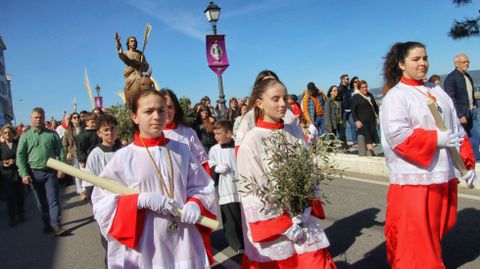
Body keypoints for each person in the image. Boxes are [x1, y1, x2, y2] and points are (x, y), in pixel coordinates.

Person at [91, 88, 216, 268]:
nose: (157, 116)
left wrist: (195, 202)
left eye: (161, 110)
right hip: (147, 245)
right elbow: (102, 202)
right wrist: (139, 201)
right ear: (135, 117)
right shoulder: (124, 157)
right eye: (148, 111)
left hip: (184, 239)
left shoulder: (182, 150)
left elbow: (202, 186)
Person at [380, 41, 477, 268]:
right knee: (415, 242)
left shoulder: (437, 91)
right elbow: (397, 136)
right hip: (415, 180)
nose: (423, 63)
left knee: (435, 232)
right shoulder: (396, 96)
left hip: (443, 175)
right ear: (402, 64)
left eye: (425, 58)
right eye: (416, 59)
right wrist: (435, 139)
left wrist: (467, 164)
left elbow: (456, 130)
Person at [237, 78, 336, 268]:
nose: (283, 104)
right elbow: (255, 193)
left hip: (303, 220)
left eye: (285, 98)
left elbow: (307, 172)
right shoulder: (251, 141)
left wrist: (306, 209)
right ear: (260, 103)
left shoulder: (294, 131)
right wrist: (285, 225)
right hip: (277, 228)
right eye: (275, 99)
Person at [16, 107, 67, 235]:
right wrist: (24, 174)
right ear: (31, 118)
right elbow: (20, 156)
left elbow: (60, 151)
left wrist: (62, 168)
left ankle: (56, 225)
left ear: (44, 118)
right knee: (41, 202)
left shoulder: (52, 134)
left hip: (50, 172)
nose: (38, 119)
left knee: (53, 199)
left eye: (41, 117)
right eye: (36, 117)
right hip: (34, 173)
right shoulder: (25, 136)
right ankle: (47, 223)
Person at [235, 70, 299, 155]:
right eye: (266, 83)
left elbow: (298, 139)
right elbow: (240, 148)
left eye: (274, 82)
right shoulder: (250, 116)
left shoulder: (288, 114)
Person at [208, 119, 244, 252]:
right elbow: (210, 165)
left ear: (228, 133)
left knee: (242, 216)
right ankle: (236, 244)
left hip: (241, 187)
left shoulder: (238, 146)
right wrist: (216, 168)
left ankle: (245, 240)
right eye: (214, 134)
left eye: (218, 133)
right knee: (230, 219)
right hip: (226, 188)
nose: (215, 137)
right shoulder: (214, 150)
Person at [159, 88, 212, 175]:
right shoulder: (150, 134)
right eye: (162, 108)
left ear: (175, 109)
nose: (166, 111)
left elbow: (202, 162)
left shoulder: (188, 133)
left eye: (169, 107)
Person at [443, 53, 479, 160]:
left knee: (476, 136)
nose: (467, 64)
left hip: (472, 111)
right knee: (465, 138)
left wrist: (475, 104)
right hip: (462, 114)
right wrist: (460, 114)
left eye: (468, 62)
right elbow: (450, 98)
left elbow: (470, 93)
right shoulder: (451, 78)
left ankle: (476, 158)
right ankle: (470, 159)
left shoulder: (467, 76)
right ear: (456, 64)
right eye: (464, 62)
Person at [0, 124, 25, 227]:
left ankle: (21, 213)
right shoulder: (1, 147)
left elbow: (23, 155)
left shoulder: (18, 143)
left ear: (13, 133)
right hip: (7, 175)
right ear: (2, 134)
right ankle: (12, 218)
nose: (7, 134)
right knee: (10, 197)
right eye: (5, 133)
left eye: (9, 132)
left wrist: (14, 161)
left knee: (20, 195)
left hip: (18, 173)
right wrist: (3, 163)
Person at [115, 33, 149, 106]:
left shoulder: (140, 53)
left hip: (139, 73)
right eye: (132, 41)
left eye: (135, 41)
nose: (134, 43)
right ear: (128, 43)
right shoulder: (126, 53)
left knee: (147, 82)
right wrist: (118, 42)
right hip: (131, 75)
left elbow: (146, 66)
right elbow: (121, 55)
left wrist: (141, 64)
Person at [351, 80, 379, 156]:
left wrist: (379, 116)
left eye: (366, 87)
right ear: (359, 88)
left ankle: (367, 155)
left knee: (370, 140)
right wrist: (356, 121)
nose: (365, 89)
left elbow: (375, 107)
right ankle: (373, 156)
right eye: (363, 87)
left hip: (372, 121)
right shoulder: (356, 97)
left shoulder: (370, 95)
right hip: (362, 123)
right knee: (368, 140)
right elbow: (353, 111)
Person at [77, 113, 101, 199]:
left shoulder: (99, 133)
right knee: (90, 182)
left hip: (99, 159)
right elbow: (80, 149)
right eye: (92, 122)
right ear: (87, 123)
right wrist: (82, 160)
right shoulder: (83, 135)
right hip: (88, 160)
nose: (94, 124)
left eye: (96, 122)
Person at [62, 112, 84, 199]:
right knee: (77, 171)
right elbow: (65, 143)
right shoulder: (68, 131)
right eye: (74, 117)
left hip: (83, 152)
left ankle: (85, 187)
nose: (77, 119)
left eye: (78, 117)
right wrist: (67, 153)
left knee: (84, 170)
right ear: (71, 120)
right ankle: (79, 188)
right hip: (74, 153)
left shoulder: (83, 128)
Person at [338, 74, 353, 149]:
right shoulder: (340, 89)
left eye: (348, 79)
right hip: (343, 111)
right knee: (342, 129)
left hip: (350, 110)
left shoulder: (348, 88)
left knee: (353, 126)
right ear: (342, 80)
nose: (348, 80)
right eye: (347, 79)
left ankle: (356, 142)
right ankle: (344, 145)